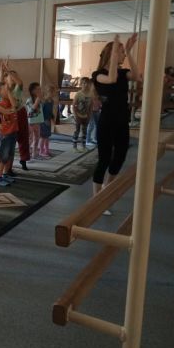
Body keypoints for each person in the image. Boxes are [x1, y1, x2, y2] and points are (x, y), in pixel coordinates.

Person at [91, 34, 140, 214]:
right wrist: (114, 54)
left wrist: (129, 51)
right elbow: (111, 79)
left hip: (122, 121)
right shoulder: (98, 75)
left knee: (120, 156)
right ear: (111, 55)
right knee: (104, 159)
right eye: (121, 52)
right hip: (107, 121)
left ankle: (107, 188)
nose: (123, 55)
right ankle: (96, 199)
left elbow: (137, 76)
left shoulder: (122, 72)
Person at [4, 63, 29, 172]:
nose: (14, 78)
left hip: (20, 113)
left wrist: (8, 71)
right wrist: (4, 72)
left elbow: (19, 82)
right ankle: (8, 167)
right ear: (6, 79)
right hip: (10, 115)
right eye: (11, 76)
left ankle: (23, 159)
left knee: (23, 136)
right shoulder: (4, 90)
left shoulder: (18, 88)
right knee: (11, 139)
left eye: (15, 75)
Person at [0, 81, 18, 186]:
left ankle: (5, 174)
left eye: (9, 89)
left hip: (13, 131)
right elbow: (12, 109)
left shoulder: (11, 100)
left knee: (10, 155)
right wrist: (8, 92)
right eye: (6, 89)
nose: (9, 91)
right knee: (3, 156)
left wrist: (8, 92)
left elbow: (15, 104)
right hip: (6, 133)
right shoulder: (0, 104)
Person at [72, 77, 92, 152]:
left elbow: (90, 106)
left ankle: (83, 146)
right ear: (81, 84)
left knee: (84, 131)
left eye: (87, 83)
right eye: (84, 83)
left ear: (89, 84)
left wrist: (89, 116)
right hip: (78, 115)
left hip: (86, 116)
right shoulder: (78, 94)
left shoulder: (90, 94)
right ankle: (74, 147)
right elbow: (74, 105)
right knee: (77, 131)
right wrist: (75, 115)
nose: (85, 85)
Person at [25, 82, 44, 159]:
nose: (40, 91)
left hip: (38, 122)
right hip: (31, 123)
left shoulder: (39, 100)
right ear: (32, 91)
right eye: (38, 89)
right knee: (30, 139)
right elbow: (32, 109)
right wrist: (38, 99)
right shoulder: (29, 100)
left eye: (40, 89)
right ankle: (26, 153)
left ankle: (34, 153)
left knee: (37, 138)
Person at [39, 84, 55, 158]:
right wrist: (44, 120)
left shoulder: (52, 101)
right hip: (43, 121)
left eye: (53, 92)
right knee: (43, 137)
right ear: (47, 92)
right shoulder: (44, 102)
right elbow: (40, 112)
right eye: (51, 92)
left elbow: (50, 111)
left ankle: (46, 150)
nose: (53, 94)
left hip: (48, 121)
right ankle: (41, 151)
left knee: (47, 136)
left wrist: (52, 118)